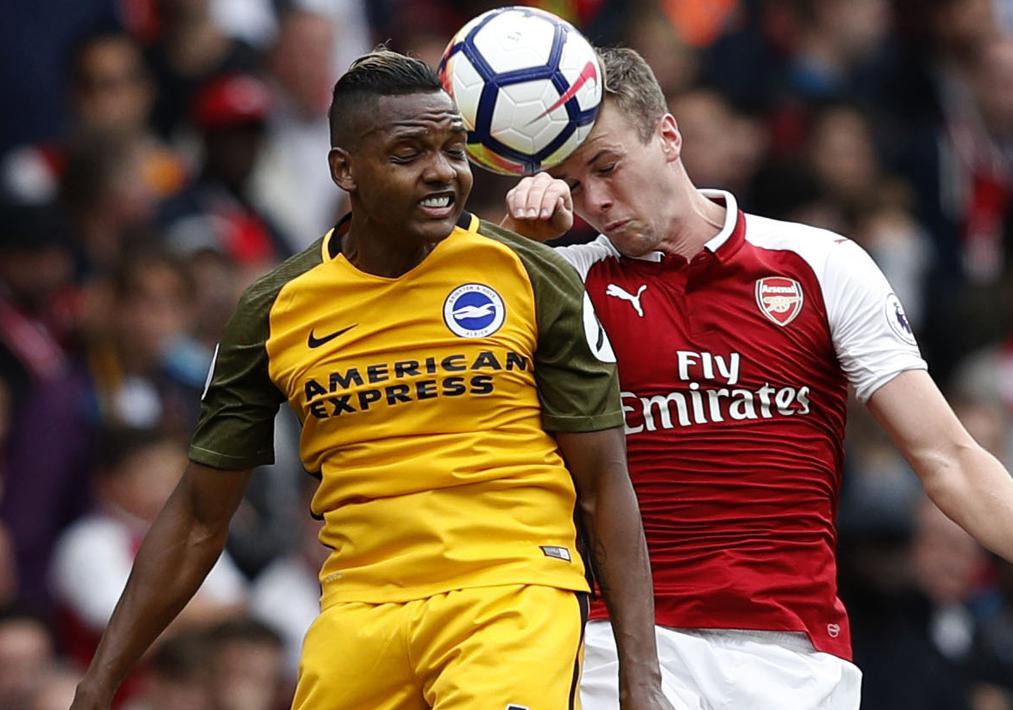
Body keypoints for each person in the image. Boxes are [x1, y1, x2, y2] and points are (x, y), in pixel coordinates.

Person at [501, 47, 1013, 709]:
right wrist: (515, 244)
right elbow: (467, 385)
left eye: (607, 167)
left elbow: (945, 454)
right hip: (622, 646)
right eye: (573, 184)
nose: (596, 201)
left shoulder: (819, 264)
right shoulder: (562, 280)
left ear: (668, 136)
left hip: (794, 653)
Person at [70, 49, 667, 710]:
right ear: (344, 169)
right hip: (359, 609)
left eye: (453, 150)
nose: (441, 171)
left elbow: (604, 483)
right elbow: (199, 515)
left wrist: (641, 679)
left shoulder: (532, 275)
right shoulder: (276, 307)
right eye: (408, 153)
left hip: (511, 591)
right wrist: (98, 683)